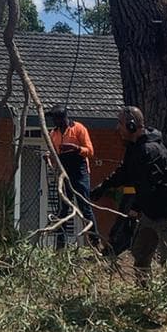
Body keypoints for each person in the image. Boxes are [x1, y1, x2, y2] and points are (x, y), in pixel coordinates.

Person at [91, 106, 167, 281]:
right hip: (150, 214)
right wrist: (102, 187)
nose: (117, 129)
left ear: (131, 126)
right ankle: (144, 294)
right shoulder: (135, 148)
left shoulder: (150, 150)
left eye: (119, 124)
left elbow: (152, 185)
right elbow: (125, 172)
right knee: (140, 255)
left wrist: (135, 208)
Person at [47, 104, 98, 249]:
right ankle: (60, 245)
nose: (54, 122)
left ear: (62, 118)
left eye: (55, 119)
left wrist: (75, 148)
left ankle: (95, 241)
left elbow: (90, 151)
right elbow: (54, 155)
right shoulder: (53, 134)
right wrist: (49, 158)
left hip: (80, 171)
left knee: (84, 206)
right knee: (63, 208)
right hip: (65, 172)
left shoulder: (78, 128)